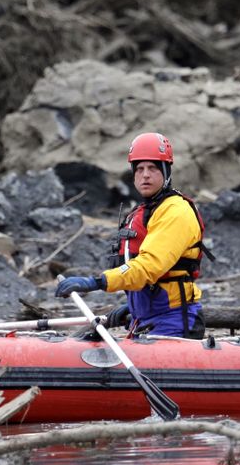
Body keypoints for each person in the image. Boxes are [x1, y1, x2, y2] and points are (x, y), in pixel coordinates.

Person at [54, 132, 212, 339]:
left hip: (175, 321)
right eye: (139, 169)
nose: (145, 174)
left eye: (153, 168)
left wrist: (97, 282)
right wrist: (132, 306)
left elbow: (148, 266)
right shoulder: (145, 210)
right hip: (145, 319)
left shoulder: (176, 211)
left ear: (166, 172)